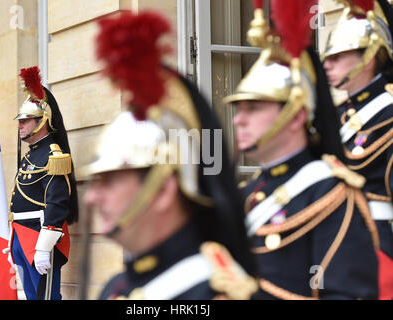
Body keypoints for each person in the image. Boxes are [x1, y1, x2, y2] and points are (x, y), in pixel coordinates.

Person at [77, 11, 258, 300]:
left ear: (163, 189)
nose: (91, 197)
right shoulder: (117, 289)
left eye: (109, 181)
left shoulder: (215, 293)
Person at [222, 0, 379, 299]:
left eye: (253, 108)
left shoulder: (330, 195)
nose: (239, 119)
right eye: (238, 109)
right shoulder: (249, 193)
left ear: (295, 116)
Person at [322, 0, 393, 299]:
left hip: (377, 243)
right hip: (336, 238)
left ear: (370, 56)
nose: (327, 64)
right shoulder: (337, 117)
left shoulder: (388, 114)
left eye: (338, 56)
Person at [4, 66, 78, 300]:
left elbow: (57, 204)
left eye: (26, 120)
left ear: (42, 121)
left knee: (46, 297)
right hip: (21, 237)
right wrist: (12, 239)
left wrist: (44, 247)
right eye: (20, 121)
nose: (20, 125)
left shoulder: (53, 155)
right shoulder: (31, 155)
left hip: (39, 239)